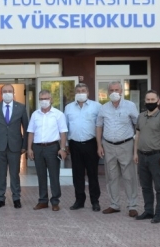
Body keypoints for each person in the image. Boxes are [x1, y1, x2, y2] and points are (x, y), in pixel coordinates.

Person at [96, 81, 140, 217]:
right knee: (111, 176)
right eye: (111, 90)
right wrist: (99, 145)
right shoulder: (103, 108)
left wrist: (136, 147)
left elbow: (138, 126)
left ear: (121, 91)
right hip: (108, 145)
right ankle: (114, 204)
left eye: (116, 90)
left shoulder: (130, 106)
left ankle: (132, 205)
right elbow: (99, 126)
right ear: (108, 92)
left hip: (126, 144)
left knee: (129, 176)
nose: (114, 92)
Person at [133, 90, 160, 224]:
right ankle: (148, 211)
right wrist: (135, 153)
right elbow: (137, 136)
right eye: (148, 100)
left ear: (158, 101)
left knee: (159, 187)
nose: (150, 102)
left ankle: (159, 213)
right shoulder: (141, 116)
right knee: (145, 186)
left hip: (156, 156)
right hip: (142, 156)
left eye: (152, 100)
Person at [0, 84, 29, 209]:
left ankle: (16, 198)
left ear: (13, 93)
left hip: (15, 146)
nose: (7, 93)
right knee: (1, 174)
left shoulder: (21, 107)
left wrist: (24, 145)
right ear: (1, 93)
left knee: (15, 174)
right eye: (5, 91)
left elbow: (26, 128)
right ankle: (1, 198)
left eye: (10, 91)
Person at [27, 90, 68, 211]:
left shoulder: (58, 114)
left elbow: (63, 133)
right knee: (41, 175)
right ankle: (43, 201)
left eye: (46, 98)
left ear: (51, 100)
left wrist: (63, 148)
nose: (43, 101)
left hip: (52, 147)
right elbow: (31, 132)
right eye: (41, 99)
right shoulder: (35, 115)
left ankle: (55, 201)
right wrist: (29, 148)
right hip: (37, 147)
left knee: (54, 175)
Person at [64, 83, 102, 212]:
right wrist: (66, 144)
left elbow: (100, 126)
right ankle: (79, 200)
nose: (81, 93)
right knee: (77, 174)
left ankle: (95, 201)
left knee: (92, 174)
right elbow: (65, 127)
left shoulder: (97, 106)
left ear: (88, 92)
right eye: (78, 91)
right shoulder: (68, 108)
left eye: (83, 90)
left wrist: (100, 145)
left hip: (91, 144)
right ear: (75, 93)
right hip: (74, 144)